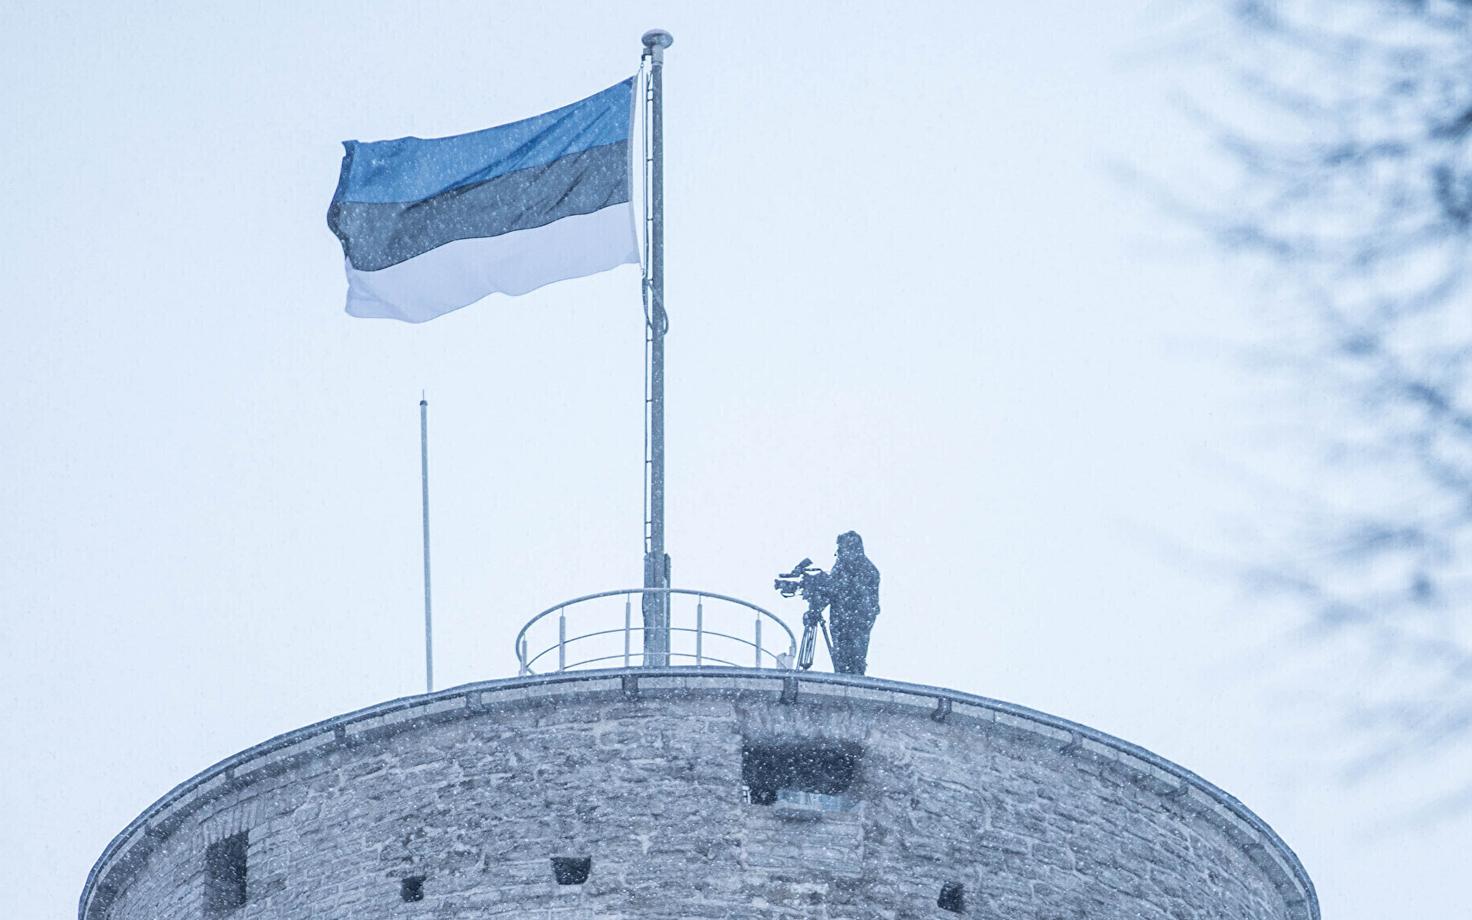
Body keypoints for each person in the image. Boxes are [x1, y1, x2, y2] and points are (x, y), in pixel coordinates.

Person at [824, 531, 880, 675]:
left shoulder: (866, 570)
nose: (840, 552)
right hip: (840, 623)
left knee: (855, 661)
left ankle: (853, 680)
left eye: (842, 548)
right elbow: (832, 591)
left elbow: (865, 601)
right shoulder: (840, 567)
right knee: (841, 659)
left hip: (855, 624)